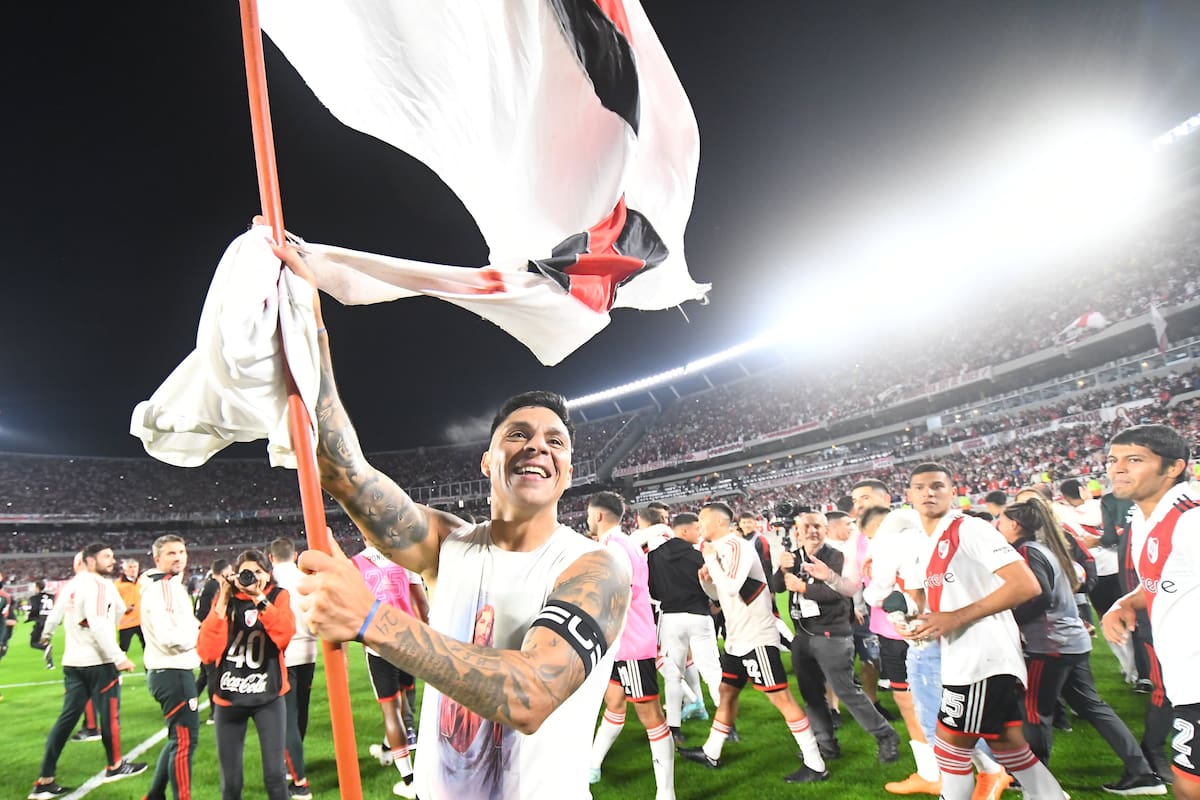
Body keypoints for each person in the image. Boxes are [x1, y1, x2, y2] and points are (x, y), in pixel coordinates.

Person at [275, 232, 631, 800]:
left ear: (567, 468)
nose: (538, 446)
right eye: (519, 434)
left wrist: (371, 621)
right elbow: (343, 473)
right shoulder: (447, 543)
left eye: (555, 441)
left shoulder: (595, 567)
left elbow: (531, 694)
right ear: (488, 460)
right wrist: (308, 327)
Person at [899, 463, 1065, 800]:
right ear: (909, 496)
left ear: (953, 492)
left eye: (937, 486)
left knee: (948, 752)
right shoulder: (928, 542)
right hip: (969, 658)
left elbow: (1026, 585)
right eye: (920, 487)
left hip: (982, 660)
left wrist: (955, 617)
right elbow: (946, 605)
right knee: (1010, 751)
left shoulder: (969, 529)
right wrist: (919, 622)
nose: (929, 492)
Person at [999, 499, 1165, 795]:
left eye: (1001, 520)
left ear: (1014, 524)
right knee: (1093, 707)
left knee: (1035, 712)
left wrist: (1011, 621)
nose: (997, 525)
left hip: (1049, 645)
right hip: (1070, 641)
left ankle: (1035, 781)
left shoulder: (1026, 552)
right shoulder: (1047, 549)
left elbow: (1041, 596)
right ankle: (1142, 773)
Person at [677, 502, 829, 784]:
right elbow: (720, 596)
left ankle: (815, 763)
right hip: (737, 639)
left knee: (780, 698)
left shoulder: (734, 546)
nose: (698, 525)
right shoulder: (721, 549)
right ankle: (712, 751)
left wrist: (710, 561)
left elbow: (733, 586)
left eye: (702, 520)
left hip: (756, 637)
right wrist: (706, 580)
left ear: (720, 523)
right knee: (727, 692)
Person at [1102, 424, 1200, 797]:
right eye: (1113, 460)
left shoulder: (1191, 521)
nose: (1118, 468)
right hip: (1185, 679)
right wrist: (1124, 603)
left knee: (1189, 787)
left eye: (1134, 459)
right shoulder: (1147, 517)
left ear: (1173, 467)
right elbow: (1161, 580)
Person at [771, 510, 900, 763]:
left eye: (818, 526)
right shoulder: (793, 557)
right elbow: (777, 588)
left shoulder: (838, 557)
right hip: (803, 634)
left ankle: (886, 736)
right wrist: (780, 569)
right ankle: (826, 744)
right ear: (797, 530)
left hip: (831, 634)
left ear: (826, 530)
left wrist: (804, 588)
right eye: (807, 525)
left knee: (847, 691)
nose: (812, 530)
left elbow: (841, 593)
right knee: (811, 694)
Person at [29, 542, 146, 800]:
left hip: (73, 662)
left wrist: (46, 636)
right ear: (90, 561)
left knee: (66, 720)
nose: (112, 561)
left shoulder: (71, 584)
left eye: (112, 556)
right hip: (99, 662)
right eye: (106, 557)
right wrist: (118, 657)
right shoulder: (99, 584)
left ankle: (44, 780)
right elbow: (98, 622)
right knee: (110, 716)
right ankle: (115, 765)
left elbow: (55, 615)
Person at [586, 492, 675, 800]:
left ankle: (666, 792)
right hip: (619, 646)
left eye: (589, 514)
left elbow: (617, 596)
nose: (587, 520)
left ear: (598, 516)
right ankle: (593, 763)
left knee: (650, 716)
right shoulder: (623, 544)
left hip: (630, 645)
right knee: (614, 704)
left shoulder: (614, 548)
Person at [197, 549, 297, 800]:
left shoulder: (278, 596)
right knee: (230, 784)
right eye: (247, 573)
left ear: (268, 574)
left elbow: (284, 636)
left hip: (269, 697)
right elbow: (207, 653)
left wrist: (259, 599)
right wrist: (223, 597)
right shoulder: (225, 599)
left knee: (275, 777)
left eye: (259, 572)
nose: (254, 578)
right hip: (229, 699)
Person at [351, 545, 424, 798]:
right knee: (404, 699)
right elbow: (422, 607)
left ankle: (409, 779)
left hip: (380, 646)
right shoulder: (406, 556)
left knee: (390, 709)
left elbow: (354, 614)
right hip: (409, 642)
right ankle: (385, 749)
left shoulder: (355, 564)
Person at [648, 511, 722, 744]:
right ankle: (727, 727)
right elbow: (710, 586)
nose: (699, 532)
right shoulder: (698, 555)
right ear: (683, 531)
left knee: (672, 675)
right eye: (696, 528)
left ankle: (674, 728)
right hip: (699, 616)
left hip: (670, 618)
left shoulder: (654, 556)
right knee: (712, 672)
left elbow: (654, 592)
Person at [140, 534, 203, 800]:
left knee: (177, 738)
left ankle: (154, 795)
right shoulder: (164, 587)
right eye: (170, 553)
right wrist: (200, 639)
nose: (178, 557)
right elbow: (169, 638)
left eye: (181, 551)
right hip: (173, 674)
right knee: (185, 742)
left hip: (170, 672)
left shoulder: (167, 585)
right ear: (157, 559)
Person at [269, 537, 316, 800]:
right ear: (295, 554)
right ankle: (293, 767)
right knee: (300, 712)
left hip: (282, 654)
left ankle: (300, 781)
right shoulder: (304, 578)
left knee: (286, 716)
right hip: (308, 651)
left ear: (271, 557)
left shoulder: (270, 581)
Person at [194, 559, 234, 724]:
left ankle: (189, 703)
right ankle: (214, 713)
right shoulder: (216, 587)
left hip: (204, 632)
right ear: (224, 572)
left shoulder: (208, 584)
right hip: (210, 634)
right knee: (213, 674)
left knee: (205, 674)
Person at [116, 558, 145, 655]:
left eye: (135, 567)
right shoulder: (118, 585)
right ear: (124, 570)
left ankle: (149, 669)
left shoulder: (143, 581)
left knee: (148, 647)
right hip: (126, 622)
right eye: (130, 567)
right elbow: (113, 603)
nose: (133, 569)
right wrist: (124, 608)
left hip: (143, 621)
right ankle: (116, 668)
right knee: (123, 648)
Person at [27, 579, 56, 669]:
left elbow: (35, 610)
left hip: (41, 622)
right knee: (45, 642)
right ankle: (50, 664)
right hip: (51, 622)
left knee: (34, 643)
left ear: (37, 587)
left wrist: (29, 617)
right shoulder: (51, 596)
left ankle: (46, 649)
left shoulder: (35, 598)